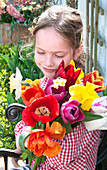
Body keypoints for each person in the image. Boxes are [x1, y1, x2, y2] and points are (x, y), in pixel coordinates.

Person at [11, 5, 100, 170]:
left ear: (77, 51)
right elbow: (24, 124)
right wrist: (30, 135)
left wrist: (29, 137)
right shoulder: (46, 82)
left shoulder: (79, 98)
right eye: (41, 52)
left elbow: (61, 159)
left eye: (58, 55)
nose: (48, 62)